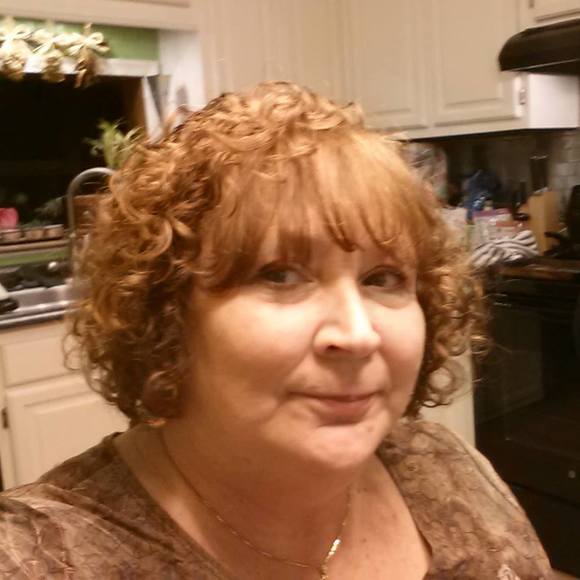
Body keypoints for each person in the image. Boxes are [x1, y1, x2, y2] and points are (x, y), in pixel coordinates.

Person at [0, 82, 550, 579]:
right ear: (166, 315)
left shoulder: (445, 465)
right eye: (280, 275)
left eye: (383, 278)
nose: (359, 335)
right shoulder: (45, 557)